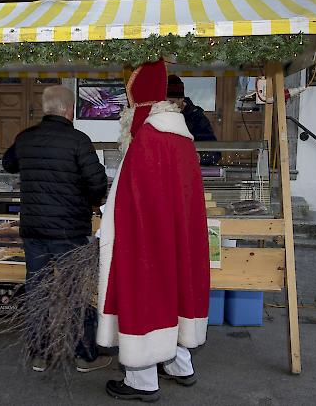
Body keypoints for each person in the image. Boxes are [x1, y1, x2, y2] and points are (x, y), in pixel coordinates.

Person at [97, 60, 210, 402]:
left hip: (145, 238)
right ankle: (179, 365)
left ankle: (141, 380)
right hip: (176, 236)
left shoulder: (148, 138)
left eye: (131, 104)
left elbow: (135, 200)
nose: (127, 112)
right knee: (173, 292)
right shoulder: (181, 138)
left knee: (144, 295)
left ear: (142, 103)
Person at [2, 85, 111, 373]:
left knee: (37, 288)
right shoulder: (78, 141)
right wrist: (88, 200)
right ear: (69, 110)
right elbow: (98, 182)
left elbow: (8, 163)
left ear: (45, 108)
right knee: (76, 290)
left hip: (34, 230)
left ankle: (39, 354)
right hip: (69, 231)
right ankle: (84, 355)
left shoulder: (26, 138)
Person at [167, 74, 222, 166]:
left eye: (171, 102)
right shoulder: (157, 115)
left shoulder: (197, 118)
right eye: (163, 102)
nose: (166, 106)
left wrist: (197, 156)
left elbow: (214, 153)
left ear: (181, 99)